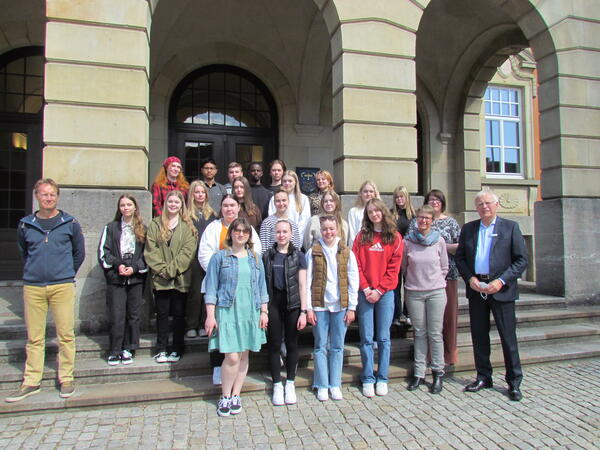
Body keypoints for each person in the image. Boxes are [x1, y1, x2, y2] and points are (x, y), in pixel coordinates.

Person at [6, 179, 85, 403]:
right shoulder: (26, 224)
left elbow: (78, 253)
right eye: (44, 195)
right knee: (34, 337)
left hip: (62, 285)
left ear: (57, 197)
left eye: (52, 195)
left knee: (66, 334)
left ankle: (66, 377)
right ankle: (31, 380)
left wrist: (66, 272)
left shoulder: (69, 223)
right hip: (33, 286)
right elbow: (24, 252)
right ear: (37, 197)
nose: (48, 198)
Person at [455, 189, 528, 402]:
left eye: (488, 203)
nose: (484, 207)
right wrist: (470, 279)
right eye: (480, 204)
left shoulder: (510, 227)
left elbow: (521, 260)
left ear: (496, 205)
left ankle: (514, 382)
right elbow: (460, 258)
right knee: (479, 336)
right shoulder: (469, 229)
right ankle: (483, 376)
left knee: (508, 338)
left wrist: (501, 280)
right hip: (477, 288)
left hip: (501, 289)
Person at [204, 218, 269, 416]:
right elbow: (211, 289)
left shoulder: (255, 258)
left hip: (250, 310)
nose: (241, 234)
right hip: (227, 311)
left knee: (243, 355)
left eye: (245, 231)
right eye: (237, 230)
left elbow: (262, 287)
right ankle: (225, 395)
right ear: (231, 233)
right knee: (231, 356)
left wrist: (264, 312)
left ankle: (236, 394)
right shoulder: (219, 258)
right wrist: (210, 316)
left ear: (249, 235)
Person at [198, 195, 262, 385]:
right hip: (219, 285)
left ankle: (237, 372)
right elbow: (204, 253)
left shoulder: (245, 228)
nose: (229, 209)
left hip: (244, 289)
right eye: (225, 205)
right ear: (221, 208)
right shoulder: (213, 228)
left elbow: (256, 252)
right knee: (219, 329)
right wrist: (221, 272)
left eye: (232, 205)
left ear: (238, 207)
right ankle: (217, 366)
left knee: (238, 331)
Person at [352, 198, 403, 398]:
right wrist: (365, 288)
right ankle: (367, 377)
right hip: (365, 293)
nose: (374, 214)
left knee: (383, 338)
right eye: (370, 211)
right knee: (366, 338)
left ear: (383, 212)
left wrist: (380, 290)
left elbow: (394, 269)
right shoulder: (361, 237)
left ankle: (382, 377)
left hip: (385, 294)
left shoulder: (395, 238)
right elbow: (356, 265)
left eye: (377, 211)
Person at [306, 216, 358, 401]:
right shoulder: (314, 250)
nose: (328, 232)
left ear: (337, 229)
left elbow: (353, 279)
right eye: (325, 229)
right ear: (321, 230)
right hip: (320, 305)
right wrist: (309, 308)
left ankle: (334, 383)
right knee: (320, 346)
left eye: (331, 229)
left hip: (340, 305)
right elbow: (307, 281)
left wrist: (352, 307)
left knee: (337, 346)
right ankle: (321, 383)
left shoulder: (345, 251)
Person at [145, 190, 198, 364]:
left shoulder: (188, 226)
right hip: (160, 280)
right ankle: (161, 348)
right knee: (161, 314)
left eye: (177, 202)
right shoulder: (155, 224)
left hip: (179, 279)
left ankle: (177, 347)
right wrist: (161, 270)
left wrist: (171, 271)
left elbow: (187, 253)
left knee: (178, 314)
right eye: (170, 202)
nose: (173, 205)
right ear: (165, 204)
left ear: (181, 205)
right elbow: (151, 250)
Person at [403, 205, 449, 394]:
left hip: (436, 292)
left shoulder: (439, 241)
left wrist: (435, 281)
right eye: (420, 218)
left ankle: (438, 372)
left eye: (427, 218)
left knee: (435, 333)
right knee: (419, 332)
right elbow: (404, 268)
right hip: (414, 291)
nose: (423, 221)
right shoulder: (408, 241)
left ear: (432, 221)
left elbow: (444, 267)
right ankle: (419, 373)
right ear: (416, 220)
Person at [98, 195, 148, 366]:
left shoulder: (143, 229)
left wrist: (135, 268)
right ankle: (115, 349)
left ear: (135, 207)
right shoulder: (111, 228)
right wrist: (117, 265)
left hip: (135, 278)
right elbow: (104, 253)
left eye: (129, 205)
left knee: (133, 315)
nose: (126, 208)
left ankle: (129, 348)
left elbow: (147, 254)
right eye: (122, 205)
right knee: (117, 314)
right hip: (116, 278)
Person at [263, 219, 308, 406]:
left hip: (293, 304)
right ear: (274, 234)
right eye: (278, 232)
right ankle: (276, 384)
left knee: (291, 343)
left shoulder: (298, 255)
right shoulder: (267, 255)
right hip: (274, 302)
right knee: (274, 344)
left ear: (291, 234)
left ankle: (290, 382)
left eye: (285, 232)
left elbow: (303, 285)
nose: (281, 235)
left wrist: (304, 311)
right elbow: (262, 283)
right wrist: (263, 309)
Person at [185, 180, 217, 338]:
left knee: (208, 292)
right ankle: (192, 324)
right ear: (192, 194)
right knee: (195, 293)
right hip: (193, 259)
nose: (200, 195)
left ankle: (205, 322)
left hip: (209, 257)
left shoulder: (212, 214)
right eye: (196, 192)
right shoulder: (185, 215)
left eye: (202, 192)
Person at [391, 186, 416, 327]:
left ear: (407, 198)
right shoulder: (391, 214)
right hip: (395, 254)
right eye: (397, 197)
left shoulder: (414, 215)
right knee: (395, 285)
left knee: (409, 284)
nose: (400, 199)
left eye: (402, 197)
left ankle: (408, 313)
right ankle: (396, 314)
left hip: (410, 254)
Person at [267, 170, 311, 238]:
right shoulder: (274, 198)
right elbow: (272, 218)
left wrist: (294, 236)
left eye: (290, 181)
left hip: (297, 237)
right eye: (284, 181)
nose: (287, 183)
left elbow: (304, 221)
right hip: (279, 238)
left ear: (295, 182)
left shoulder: (303, 199)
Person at [347, 180, 380, 248]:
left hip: (376, 247)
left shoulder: (380, 211)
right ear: (360, 194)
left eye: (371, 191)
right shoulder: (353, 211)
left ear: (375, 194)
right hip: (359, 247)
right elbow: (352, 235)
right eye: (365, 191)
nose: (368, 194)